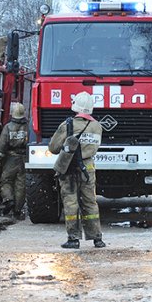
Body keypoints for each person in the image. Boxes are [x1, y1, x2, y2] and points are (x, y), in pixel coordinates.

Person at [48, 91, 106, 249]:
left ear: (76, 107)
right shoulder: (97, 126)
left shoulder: (67, 124)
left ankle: (73, 239)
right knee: (90, 202)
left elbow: (53, 148)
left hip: (70, 168)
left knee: (71, 202)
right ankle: (97, 238)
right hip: (88, 168)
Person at [0, 102, 28, 220]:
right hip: (24, 159)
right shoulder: (28, 126)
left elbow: (2, 145)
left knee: (6, 180)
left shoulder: (8, 127)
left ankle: (9, 200)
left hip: (11, 158)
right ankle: (17, 210)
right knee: (21, 184)